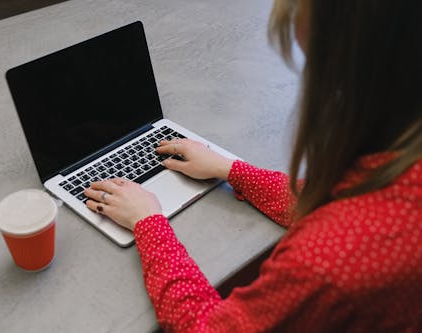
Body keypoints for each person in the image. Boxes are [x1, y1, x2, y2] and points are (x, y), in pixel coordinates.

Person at [84, 0, 422, 331]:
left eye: (313, 63)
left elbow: (203, 327)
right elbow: (333, 200)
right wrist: (228, 169)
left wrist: (148, 223)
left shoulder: (324, 268)